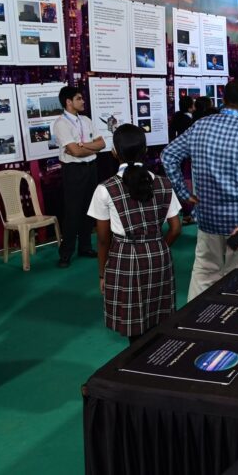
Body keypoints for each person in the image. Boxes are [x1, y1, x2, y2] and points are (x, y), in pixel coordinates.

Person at [161, 80, 238, 300]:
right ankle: (230, 320)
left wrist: (184, 195)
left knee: (204, 274)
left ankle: (195, 319)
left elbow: (168, 155)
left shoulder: (200, 126)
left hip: (207, 218)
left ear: (223, 100)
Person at [88, 125, 181, 345]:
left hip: (125, 257)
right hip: (159, 255)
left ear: (114, 152)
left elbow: (103, 239)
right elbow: (176, 228)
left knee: (135, 323)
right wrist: (159, 245)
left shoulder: (105, 189)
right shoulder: (164, 183)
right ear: (145, 150)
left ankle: (138, 361)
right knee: (159, 316)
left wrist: (102, 274)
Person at [52, 86, 106, 268]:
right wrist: (89, 147)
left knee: (89, 209)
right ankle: (66, 253)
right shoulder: (61, 123)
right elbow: (74, 152)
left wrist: (83, 145)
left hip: (91, 168)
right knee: (73, 212)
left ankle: (85, 247)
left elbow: (102, 143)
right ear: (68, 102)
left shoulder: (86, 120)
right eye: (79, 98)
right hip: (73, 170)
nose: (83, 101)